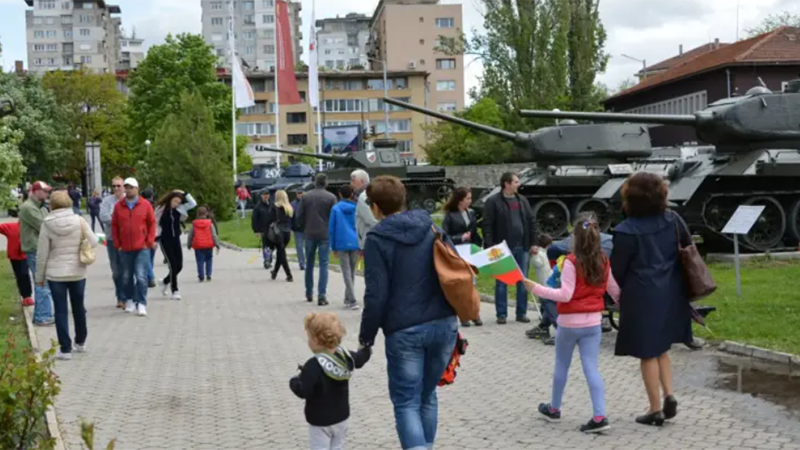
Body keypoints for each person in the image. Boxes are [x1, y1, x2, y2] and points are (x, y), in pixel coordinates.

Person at [358, 175, 458, 450]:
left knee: (406, 402)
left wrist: (366, 339)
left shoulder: (377, 239)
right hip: (443, 323)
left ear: (376, 207)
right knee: (427, 396)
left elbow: (376, 295)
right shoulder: (431, 226)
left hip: (405, 330)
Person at [523, 212, 619, 434]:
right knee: (591, 368)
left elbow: (565, 295)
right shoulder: (604, 260)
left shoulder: (571, 262)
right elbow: (614, 290)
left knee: (561, 365)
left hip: (568, 323)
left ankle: (554, 409)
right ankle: (599, 415)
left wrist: (535, 288)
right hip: (593, 323)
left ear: (575, 238)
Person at [610, 172, 693, 426]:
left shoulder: (625, 230)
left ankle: (655, 408)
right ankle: (669, 394)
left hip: (641, 293)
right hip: (671, 290)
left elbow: (617, 269)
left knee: (647, 353)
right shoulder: (673, 219)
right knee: (663, 348)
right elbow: (688, 245)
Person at [290, 312, 371, 450]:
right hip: (341, 417)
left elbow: (303, 390)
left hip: (320, 421)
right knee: (337, 447)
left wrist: (294, 382)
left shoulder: (314, 364)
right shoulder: (345, 356)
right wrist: (366, 349)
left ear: (315, 340)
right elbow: (360, 359)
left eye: (309, 337)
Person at [34, 191, 98, 361]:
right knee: (78, 307)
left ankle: (65, 348)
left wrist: (39, 278)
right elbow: (93, 242)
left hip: (56, 274)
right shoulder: (79, 220)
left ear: (52, 205)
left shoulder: (46, 224)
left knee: (60, 310)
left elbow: (42, 254)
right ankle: (81, 341)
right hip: (77, 271)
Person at [482, 172, 538, 324]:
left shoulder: (522, 200)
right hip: (501, 248)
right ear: (506, 184)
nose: (518, 184)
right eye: (515, 182)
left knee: (523, 280)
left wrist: (533, 242)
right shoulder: (493, 201)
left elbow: (532, 222)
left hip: (522, 246)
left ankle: (521, 313)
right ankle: (501, 314)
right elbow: (487, 225)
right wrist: (490, 245)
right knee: (502, 281)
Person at [112, 178, 156, 317]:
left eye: (131, 187)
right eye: (126, 187)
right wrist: (117, 244)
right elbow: (114, 226)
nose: (128, 189)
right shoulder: (119, 206)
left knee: (141, 276)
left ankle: (141, 303)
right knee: (126, 277)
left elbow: (152, 223)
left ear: (137, 189)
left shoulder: (145, 205)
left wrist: (148, 242)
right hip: (125, 248)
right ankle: (130, 300)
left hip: (142, 247)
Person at [441, 187, 484, 327]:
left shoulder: (471, 213)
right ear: (460, 200)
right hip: (457, 252)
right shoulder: (450, 215)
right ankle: (463, 315)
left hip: (470, 250)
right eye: (468, 198)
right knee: (461, 284)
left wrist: (481, 245)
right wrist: (460, 238)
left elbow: (474, 232)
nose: (470, 201)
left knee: (473, 283)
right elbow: (444, 237)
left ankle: (475, 314)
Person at [297, 174, 337, 306]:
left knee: (309, 263)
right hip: (325, 234)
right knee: (324, 264)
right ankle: (322, 295)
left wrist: (304, 228)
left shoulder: (305, 196)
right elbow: (334, 217)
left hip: (309, 233)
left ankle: (309, 293)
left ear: (314, 182)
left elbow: (299, 215)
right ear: (325, 183)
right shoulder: (331, 197)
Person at [19, 181, 54, 326]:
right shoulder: (28, 207)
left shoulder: (41, 207)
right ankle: (43, 317)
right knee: (42, 283)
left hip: (40, 249)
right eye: (45, 191)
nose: (47, 194)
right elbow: (45, 226)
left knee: (42, 282)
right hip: (34, 249)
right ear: (35, 191)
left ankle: (41, 315)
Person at [155, 189, 197, 300]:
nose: (176, 204)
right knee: (173, 265)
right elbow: (154, 223)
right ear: (170, 199)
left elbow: (193, 203)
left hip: (176, 240)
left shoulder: (180, 209)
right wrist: (154, 238)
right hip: (164, 240)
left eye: (179, 202)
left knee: (179, 266)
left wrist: (185, 193)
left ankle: (164, 282)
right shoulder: (161, 210)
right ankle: (175, 290)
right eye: (175, 201)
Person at [328, 185, 360, 310]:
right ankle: (348, 298)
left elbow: (332, 228)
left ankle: (352, 300)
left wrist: (333, 246)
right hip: (355, 242)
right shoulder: (356, 208)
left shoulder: (336, 209)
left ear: (340, 194)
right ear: (351, 194)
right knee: (352, 271)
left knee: (346, 271)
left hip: (341, 242)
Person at [100, 177, 127, 308]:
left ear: (124, 186)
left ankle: (127, 296)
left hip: (127, 240)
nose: (116, 188)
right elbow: (103, 216)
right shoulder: (107, 201)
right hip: (112, 240)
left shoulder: (129, 199)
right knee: (116, 271)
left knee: (127, 270)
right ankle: (120, 296)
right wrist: (119, 221)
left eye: (118, 186)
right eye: (114, 186)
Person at [527, 234, 557, 343]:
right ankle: (544, 326)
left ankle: (546, 326)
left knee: (547, 305)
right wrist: (534, 255)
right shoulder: (540, 253)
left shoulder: (541, 253)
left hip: (545, 283)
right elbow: (537, 263)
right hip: (546, 283)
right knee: (546, 305)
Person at [0, 221, 33, 307]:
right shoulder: (10, 227)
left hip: (25, 255)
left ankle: (27, 296)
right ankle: (25, 296)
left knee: (24, 274)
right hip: (14, 256)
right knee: (20, 275)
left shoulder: (31, 227)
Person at [187, 206, 220, 282]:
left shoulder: (194, 224)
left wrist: (189, 244)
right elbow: (214, 235)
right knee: (209, 259)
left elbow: (190, 235)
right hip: (208, 245)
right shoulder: (209, 223)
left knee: (199, 261)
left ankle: (201, 276)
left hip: (198, 246)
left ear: (197, 214)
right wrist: (217, 244)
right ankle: (208, 275)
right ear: (206, 213)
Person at [268, 190, 294, 282]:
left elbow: (270, 219)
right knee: (280, 252)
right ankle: (274, 272)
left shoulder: (274, 207)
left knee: (281, 253)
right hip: (287, 232)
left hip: (278, 232)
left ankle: (289, 274)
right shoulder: (289, 207)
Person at [350, 169, 377, 251]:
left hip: (369, 240)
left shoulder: (363, 197)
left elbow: (371, 219)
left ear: (362, 181)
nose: (351, 184)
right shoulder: (370, 192)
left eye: (353, 181)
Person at [251, 190, 274, 270]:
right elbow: (254, 219)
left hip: (272, 229)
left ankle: (269, 259)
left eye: (267, 195)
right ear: (261, 196)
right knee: (265, 245)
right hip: (263, 229)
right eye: (264, 195)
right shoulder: (258, 206)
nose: (266, 196)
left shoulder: (271, 204)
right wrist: (256, 230)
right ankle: (266, 260)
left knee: (271, 245)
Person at [141, 187, 158, 288]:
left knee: (146, 258)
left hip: (145, 235)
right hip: (155, 235)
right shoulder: (155, 206)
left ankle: (150, 277)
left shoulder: (142, 205)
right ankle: (148, 276)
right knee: (150, 258)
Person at [290, 190, 306, 270]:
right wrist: (290, 228)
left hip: (307, 229)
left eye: (301, 193)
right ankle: (301, 263)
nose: (300, 195)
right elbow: (290, 217)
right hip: (297, 229)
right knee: (299, 247)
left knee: (308, 247)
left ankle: (307, 262)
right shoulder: (292, 204)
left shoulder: (307, 203)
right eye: (298, 193)